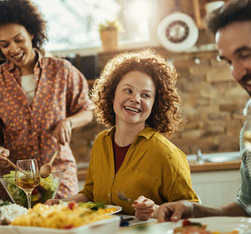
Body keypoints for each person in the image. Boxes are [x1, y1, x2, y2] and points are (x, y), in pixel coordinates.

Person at [156, 0, 251, 233]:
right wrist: (194, 210)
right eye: (229, 62)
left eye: (244, 54)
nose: (236, 73)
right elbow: (248, 208)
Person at [46, 49, 199, 220]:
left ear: (155, 104)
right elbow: (90, 195)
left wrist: (154, 210)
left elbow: (190, 210)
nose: (136, 99)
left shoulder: (166, 154)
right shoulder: (101, 143)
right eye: (128, 90)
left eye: (146, 95)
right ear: (112, 95)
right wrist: (61, 203)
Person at [0, 0, 93, 200]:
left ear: (31, 32)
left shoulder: (62, 70)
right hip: (16, 178)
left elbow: (87, 111)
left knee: (63, 219)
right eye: (5, 44)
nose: (13, 49)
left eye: (18, 39)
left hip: (57, 170)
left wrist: (68, 122)